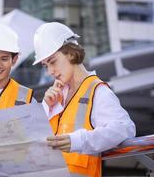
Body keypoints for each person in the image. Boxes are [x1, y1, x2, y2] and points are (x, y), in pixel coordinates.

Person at [32, 22, 136, 177]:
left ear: (71, 54)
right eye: (45, 65)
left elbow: (125, 128)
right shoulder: (58, 95)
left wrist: (78, 141)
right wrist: (47, 108)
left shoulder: (98, 91)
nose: (50, 72)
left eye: (53, 62)